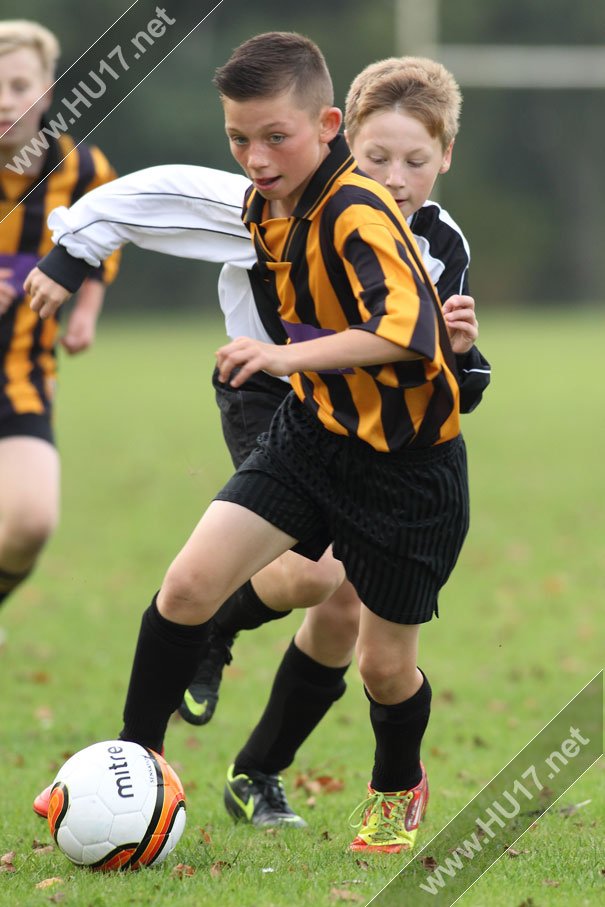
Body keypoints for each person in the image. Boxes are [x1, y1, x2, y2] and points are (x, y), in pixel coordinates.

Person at [27, 32, 474, 854]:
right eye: (239, 138)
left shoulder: (356, 209)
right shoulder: (262, 203)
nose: (255, 157)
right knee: (191, 581)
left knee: (380, 663)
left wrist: (284, 352)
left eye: (275, 137)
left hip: (409, 471)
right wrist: (73, 250)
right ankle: (137, 761)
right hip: (310, 432)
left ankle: (393, 785)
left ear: (325, 127)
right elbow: (160, 195)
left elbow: (405, 330)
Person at [0, 20, 119, 611]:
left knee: (30, 524)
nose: (4, 101)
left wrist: (86, 312)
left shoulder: (82, 170)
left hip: (20, 376)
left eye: (18, 85)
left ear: (46, 91)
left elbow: (104, 237)